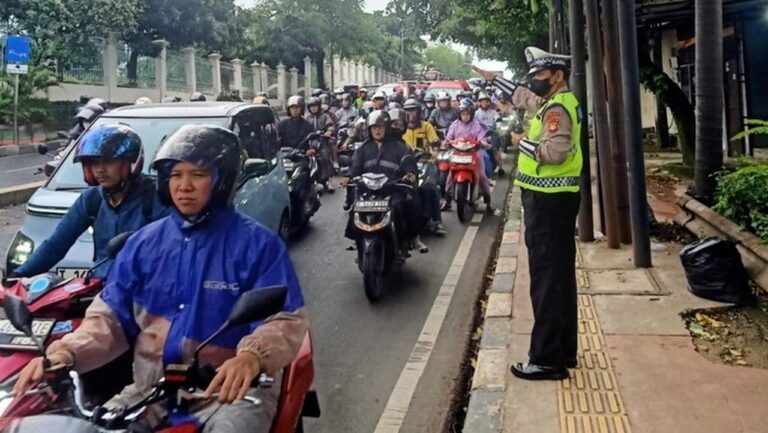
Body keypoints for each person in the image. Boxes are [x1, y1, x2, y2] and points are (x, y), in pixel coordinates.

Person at [13, 125, 308, 433]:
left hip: (229, 393)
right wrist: (66, 351)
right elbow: (109, 318)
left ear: (222, 180)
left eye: (197, 175)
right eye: (175, 175)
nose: (184, 186)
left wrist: (251, 356)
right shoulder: (142, 245)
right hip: (150, 393)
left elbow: (284, 317)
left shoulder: (258, 245)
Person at [475, 46, 583, 381]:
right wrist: (496, 80)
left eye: (539, 75)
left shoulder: (556, 111)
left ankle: (548, 359)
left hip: (549, 202)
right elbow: (524, 97)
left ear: (557, 76)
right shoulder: (556, 102)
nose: (534, 81)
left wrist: (521, 142)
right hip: (557, 201)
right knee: (560, 278)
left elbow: (555, 151)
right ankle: (564, 349)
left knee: (547, 280)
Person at [11, 125, 168, 279]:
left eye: (108, 162)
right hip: (102, 288)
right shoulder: (92, 199)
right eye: (93, 163)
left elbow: (169, 252)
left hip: (146, 290)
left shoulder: (156, 197)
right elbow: (55, 245)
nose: (99, 170)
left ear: (130, 162)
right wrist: (17, 276)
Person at [342, 111, 422, 253]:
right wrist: (349, 176)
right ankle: (357, 238)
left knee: (400, 206)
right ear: (369, 130)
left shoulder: (398, 147)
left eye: (380, 127)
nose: (377, 130)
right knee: (355, 206)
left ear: (387, 128)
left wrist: (410, 173)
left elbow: (408, 162)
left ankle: (404, 241)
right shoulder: (363, 148)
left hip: (391, 188)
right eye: (374, 127)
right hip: (368, 189)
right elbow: (355, 165)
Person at [400, 99, 446, 237]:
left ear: (419, 111)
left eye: (413, 110)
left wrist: (434, 153)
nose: (411, 114)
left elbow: (435, 143)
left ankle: (437, 221)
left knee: (429, 186)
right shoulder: (400, 129)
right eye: (407, 111)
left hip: (426, 163)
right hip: (406, 165)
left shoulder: (426, 126)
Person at [442, 98, 494, 214]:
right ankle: (447, 200)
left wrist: (483, 143)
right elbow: (448, 138)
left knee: (482, 176)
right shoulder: (454, 125)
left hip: (474, 154)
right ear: (459, 114)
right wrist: (446, 143)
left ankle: (488, 201)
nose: (465, 116)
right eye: (463, 114)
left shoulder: (477, 125)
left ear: (472, 114)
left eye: (467, 114)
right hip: (457, 154)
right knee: (450, 176)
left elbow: (482, 138)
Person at [305, 96, 337, 192]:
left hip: (322, 141)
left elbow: (330, 125)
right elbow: (304, 129)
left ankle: (329, 180)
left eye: (315, 106)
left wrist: (329, 132)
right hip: (310, 142)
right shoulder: (307, 118)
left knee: (325, 158)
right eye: (311, 106)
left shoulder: (324, 116)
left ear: (319, 106)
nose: (313, 108)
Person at [475, 92, 505, 176]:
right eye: (482, 101)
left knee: (495, 150)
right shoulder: (476, 113)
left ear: (489, 102)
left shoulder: (493, 112)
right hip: (480, 136)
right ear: (479, 103)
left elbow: (497, 118)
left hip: (492, 134)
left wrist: (499, 120)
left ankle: (501, 168)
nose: (484, 103)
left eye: (486, 101)